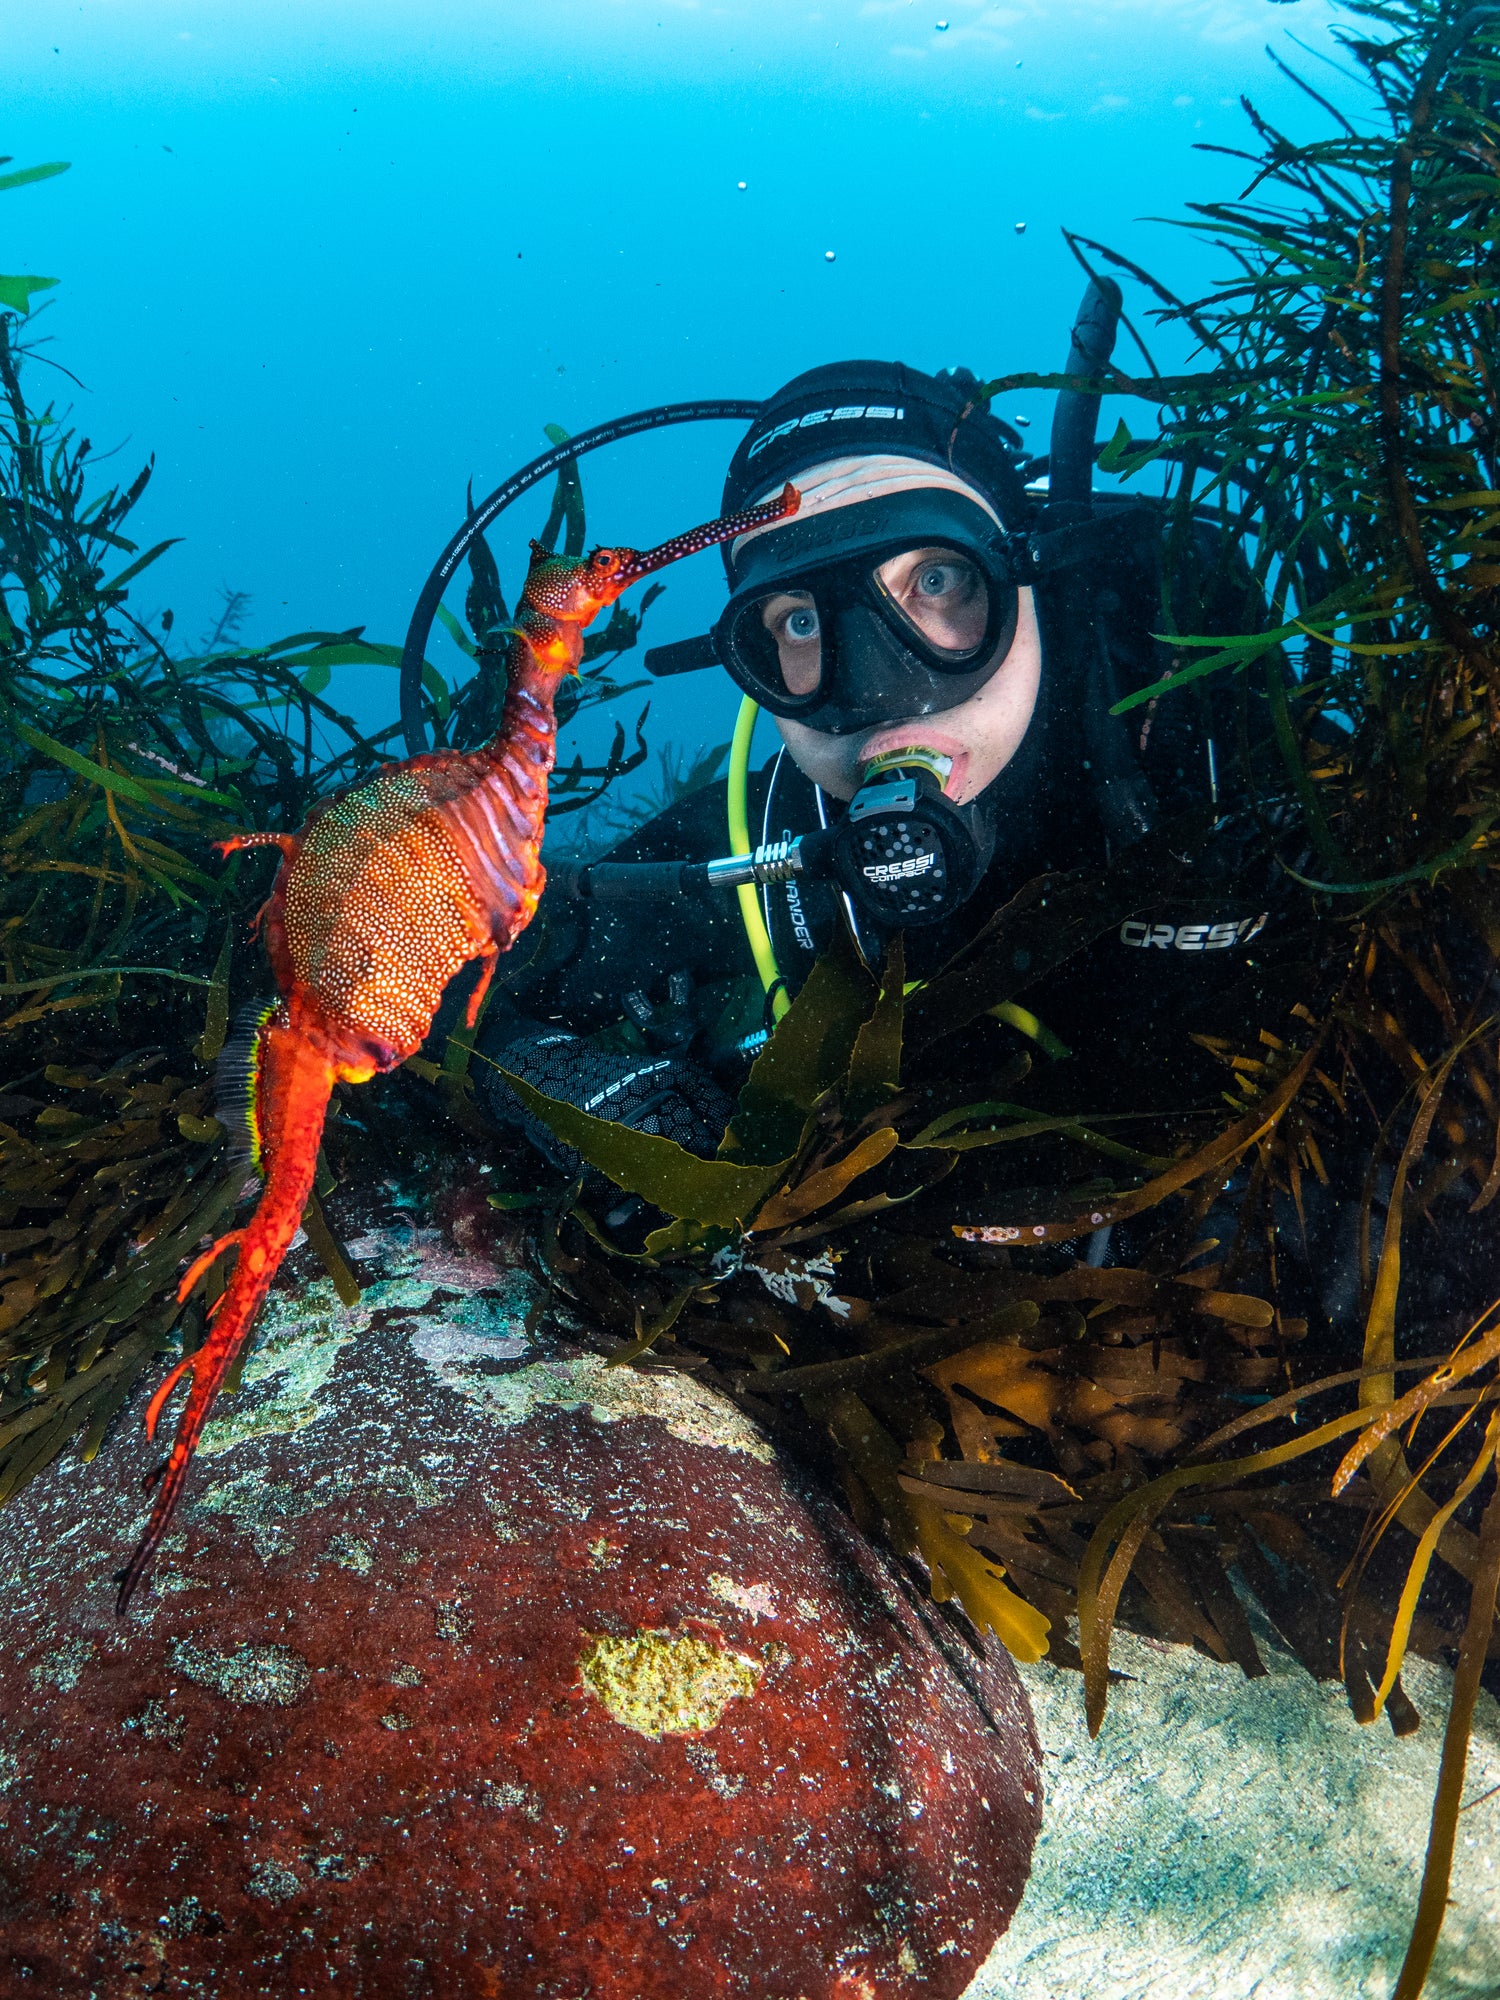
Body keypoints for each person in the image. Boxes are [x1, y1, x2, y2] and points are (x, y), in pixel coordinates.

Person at [465, 353, 1295, 1176]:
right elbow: (465, 998)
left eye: (937, 579)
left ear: (1029, 573)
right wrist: (567, 1087)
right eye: (797, 624)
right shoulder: (763, 845)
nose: (879, 692)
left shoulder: (1217, 748)